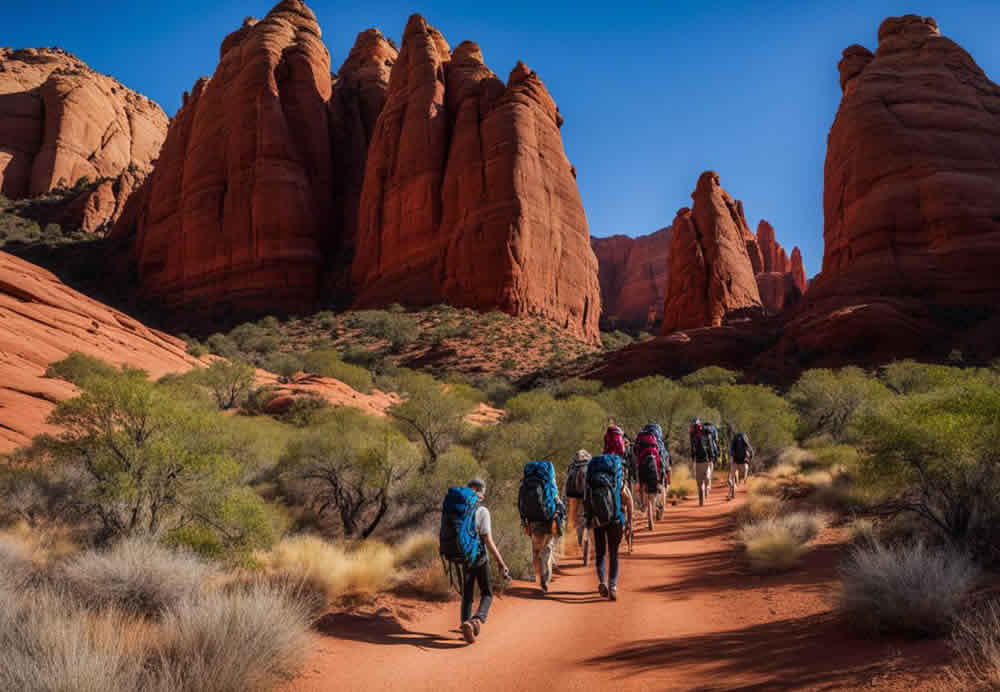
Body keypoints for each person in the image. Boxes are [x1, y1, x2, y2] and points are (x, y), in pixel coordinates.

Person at [461, 478, 511, 643]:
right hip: (480, 558)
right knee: (487, 593)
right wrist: (501, 562)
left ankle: (465, 624)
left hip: (463, 557)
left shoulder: (458, 509)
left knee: (467, 595)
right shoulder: (482, 512)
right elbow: (488, 540)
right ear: (480, 494)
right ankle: (476, 620)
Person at [585, 454, 626, 601]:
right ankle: (613, 585)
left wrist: (588, 518)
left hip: (597, 518)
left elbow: (586, 497)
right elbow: (623, 495)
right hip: (615, 518)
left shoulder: (591, 471)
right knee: (614, 552)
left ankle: (602, 581)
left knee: (600, 552)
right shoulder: (617, 471)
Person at [519, 461, 565, 594]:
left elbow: (521, 505)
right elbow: (558, 503)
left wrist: (524, 520)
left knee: (536, 549)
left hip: (532, 520)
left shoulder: (525, 485)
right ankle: (545, 578)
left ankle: (536, 575)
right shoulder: (549, 485)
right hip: (548, 519)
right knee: (548, 548)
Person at [565, 450, 592, 564]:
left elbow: (566, 486)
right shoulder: (590, 464)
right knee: (589, 515)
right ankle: (590, 541)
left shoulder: (572, 466)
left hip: (573, 495)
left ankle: (581, 541)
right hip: (587, 494)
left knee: (576, 518)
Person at [690, 418, 713, 506]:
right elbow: (710, 446)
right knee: (707, 476)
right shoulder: (707, 434)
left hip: (698, 460)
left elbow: (692, 448)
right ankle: (707, 486)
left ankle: (701, 498)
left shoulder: (693, 434)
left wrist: (693, 457)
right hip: (706, 459)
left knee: (699, 481)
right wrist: (711, 456)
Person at [728, 432, 755, 500]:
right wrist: (750, 459)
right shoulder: (745, 441)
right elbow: (751, 451)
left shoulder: (733, 443)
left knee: (731, 476)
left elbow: (730, 451)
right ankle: (742, 480)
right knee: (743, 474)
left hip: (735, 461)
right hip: (743, 463)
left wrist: (731, 457)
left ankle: (731, 490)